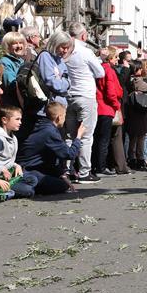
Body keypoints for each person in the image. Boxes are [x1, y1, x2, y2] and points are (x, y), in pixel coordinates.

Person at [64, 23, 105, 183]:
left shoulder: (65, 50)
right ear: (83, 36)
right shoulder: (85, 51)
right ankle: (84, 172)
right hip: (85, 95)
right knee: (86, 135)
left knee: (69, 135)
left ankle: (67, 170)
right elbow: (100, 73)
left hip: (69, 95)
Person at [18, 101, 84, 194]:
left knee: (60, 182)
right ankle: (25, 186)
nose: (64, 119)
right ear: (59, 117)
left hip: (35, 167)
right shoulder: (49, 131)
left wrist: (62, 175)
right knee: (61, 186)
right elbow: (69, 154)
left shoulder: (45, 126)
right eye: (64, 116)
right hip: (29, 169)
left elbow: (50, 157)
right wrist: (78, 137)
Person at [0, 105, 38, 199]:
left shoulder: (12, 137)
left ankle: (7, 190)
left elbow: (5, 158)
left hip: (7, 176)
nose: (20, 122)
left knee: (33, 179)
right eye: (17, 119)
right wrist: (2, 169)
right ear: (4, 120)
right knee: (29, 191)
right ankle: (0, 192)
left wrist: (16, 165)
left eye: (20, 119)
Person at [93, 46, 128, 175]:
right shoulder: (109, 71)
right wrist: (116, 105)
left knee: (97, 138)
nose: (117, 60)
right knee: (104, 139)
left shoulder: (99, 69)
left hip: (98, 106)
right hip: (106, 107)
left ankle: (97, 165)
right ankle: (101, 167)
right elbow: (111, 91)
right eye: (115, 57)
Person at [125, 60, 147, 170]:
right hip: (141, 111)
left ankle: (132, 157)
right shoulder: (138, 82)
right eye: (140, 68)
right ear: (136, 70)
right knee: (141, 136)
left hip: (131, 111)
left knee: (133, 136)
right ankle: (139, 158)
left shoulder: (128, 80)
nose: (142, 69)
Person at [0, 31, 27, 107]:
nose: (19, 46)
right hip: (11, 105)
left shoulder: (21, 61)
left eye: (21, 43)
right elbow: (11, 85)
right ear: (7, 46)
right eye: (15, 43)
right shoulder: (5, 62)